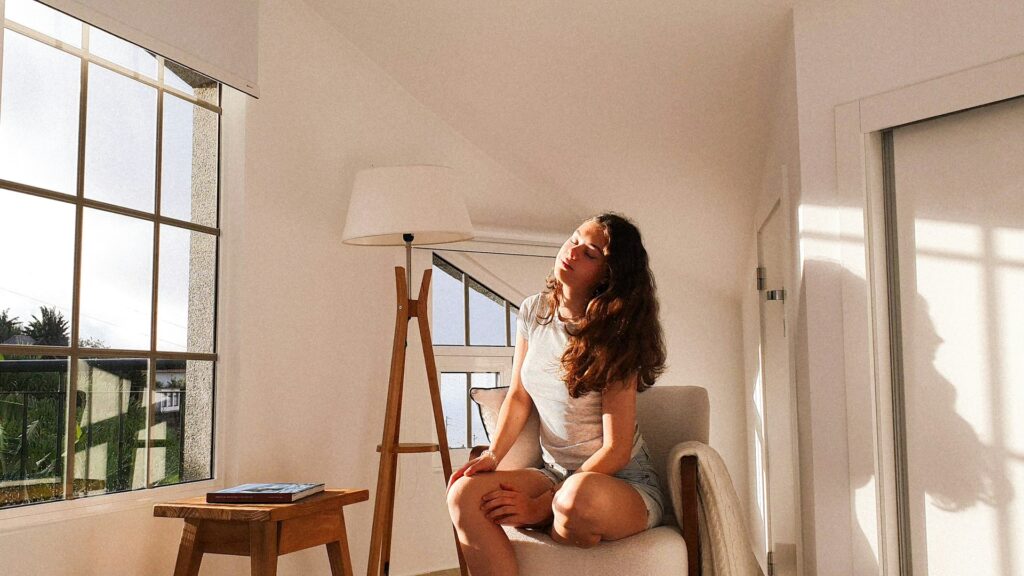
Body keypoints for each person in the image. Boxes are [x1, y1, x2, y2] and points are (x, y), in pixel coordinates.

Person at [446, 213, 667, 576]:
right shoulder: (534, 311)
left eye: (590, 253)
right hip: (553, 471)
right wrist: (493, 455)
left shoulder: (617, 334)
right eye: (574, 239)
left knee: (575, 500)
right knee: (463, 494)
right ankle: (554, 515)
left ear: (608, 276)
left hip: (619, 481)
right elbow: (519, 396)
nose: (572, 252)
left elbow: (617, 450)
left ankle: (551, 515)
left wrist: (542, 505)